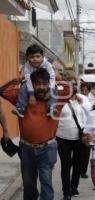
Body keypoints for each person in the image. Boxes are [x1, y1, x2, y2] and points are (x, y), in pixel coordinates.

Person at [1, 68, 70, 200]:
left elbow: (73, 89)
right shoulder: (22, 98)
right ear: (32, 85)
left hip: (47, 149)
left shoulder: (56, 99)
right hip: (26, 149)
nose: (42, 87)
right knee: (29, 185)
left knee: (46, 183)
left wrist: (57, 77)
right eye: (38, 83)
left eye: (45, 83)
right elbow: (2, 91)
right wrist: (19, 79)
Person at [56, 77, 92, 200]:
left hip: (79, 138)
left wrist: (81, 101)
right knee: (65, 165)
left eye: (74, 84)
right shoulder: (59, 100)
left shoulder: (83, 99)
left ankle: (73, 187)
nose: (72, 86)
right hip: (63, 138)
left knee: (77, 165)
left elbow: (90, 114)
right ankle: (66, 192)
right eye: (69, 83)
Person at [12, 44, 56, 118]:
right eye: (32, 57)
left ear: (42, 57)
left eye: (37, 56)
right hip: (32, 85)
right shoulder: (27, 67)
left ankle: (51, 108)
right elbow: (28, 80)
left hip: (46, 84)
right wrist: (31, 95)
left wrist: (50, 91)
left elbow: (52, 77)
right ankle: (20, 108)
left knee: (55, 88)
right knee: (23, 87)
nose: (35, 59)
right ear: (27, 58)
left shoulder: (48, 65)